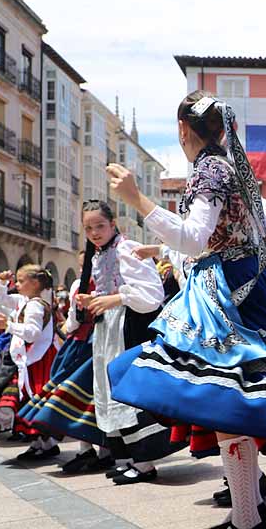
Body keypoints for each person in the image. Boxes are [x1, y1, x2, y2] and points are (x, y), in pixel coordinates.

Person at [108, 92, 266, 529]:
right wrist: (163, 249)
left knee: (226, 405)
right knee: (230, 404)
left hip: (225, 299)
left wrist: (137, 199)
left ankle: (248, 517)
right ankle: (248, 510)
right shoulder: (234, 167)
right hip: (248, 286)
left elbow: (195, 238)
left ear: (183, 130)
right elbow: (265, 227)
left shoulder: (208, 169)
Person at [58, 201, 173, 482]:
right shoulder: (99, 255)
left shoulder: (126, 248)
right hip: (109, 328)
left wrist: (116, 298)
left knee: (129, 391)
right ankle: (128, 457)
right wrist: (93, 300)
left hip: (129, 326)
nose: (95, 232)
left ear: (112, 224)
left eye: (100, 226)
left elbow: (151, 295)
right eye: (88, 228)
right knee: (110, 390)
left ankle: (145, 462)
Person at [18, 251, 116, 473]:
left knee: (78, 396)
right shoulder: (105, 280)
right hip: (98, 340)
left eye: (84, 265)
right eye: (83, 266)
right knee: (91, 397)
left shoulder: (80, 285)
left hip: (85, 342)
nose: (84, 270)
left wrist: (67, 330)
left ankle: (91, 450)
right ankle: (98, 450)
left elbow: (73, 319)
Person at [0, 265, 63, 462]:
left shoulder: (36, 305)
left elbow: (32, 332)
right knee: (30, 398)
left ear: (35, 283)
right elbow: (0, 299)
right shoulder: (25, 300)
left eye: (20, 281)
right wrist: (2, 282)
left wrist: (8, 326)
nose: (17, 285)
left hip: (39, 358)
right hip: (30, 358)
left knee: (36, 398)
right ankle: (41, 443)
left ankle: (45, 443)